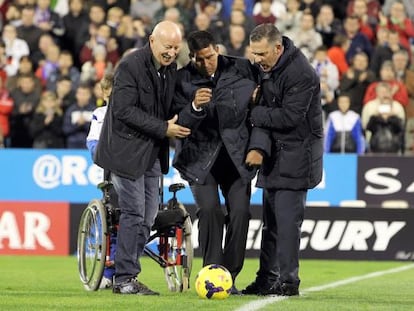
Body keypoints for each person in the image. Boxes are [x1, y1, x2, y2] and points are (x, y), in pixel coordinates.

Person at [94, 20, 191, 295]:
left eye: (175, 47)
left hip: (150, 153)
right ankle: (125, 278)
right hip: (124, 153)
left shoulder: (170, 69)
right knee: (135, 212)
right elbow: (123, 110)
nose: (171, 52)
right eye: (167, 46)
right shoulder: (130, 66)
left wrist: (192, 108)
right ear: (152, 40)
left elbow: (168, 104)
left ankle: (126, 274)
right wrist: (164, 128)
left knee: (147, 217)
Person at [172, 30, 258, 294]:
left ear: (217, 49)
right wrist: (194, 108)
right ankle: (211, 273)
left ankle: (229, 277)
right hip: (199, 159)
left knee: (241, 213)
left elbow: (259, 103)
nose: (205, 63)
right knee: (210, 211)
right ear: (192, 57)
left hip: (235, 157)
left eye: (209, 57)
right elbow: (176, 124)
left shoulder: (243, 68)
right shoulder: (181, 79)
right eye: (199, 59)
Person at [243, 23, 323, 296]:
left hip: (298, 156)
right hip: (275, 155)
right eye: (254, 53)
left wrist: (254, 112)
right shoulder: (270, 68)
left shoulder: (302, 74)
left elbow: (290, 117)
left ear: (278, 48)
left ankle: (289, 282)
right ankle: (267, 278)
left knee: (287, 224)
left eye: (262, 53)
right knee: (272, 224)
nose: (257, 59)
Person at [86, 72, 116, 289]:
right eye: (109, 92)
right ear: (104, 93)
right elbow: (93, 144)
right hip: (114, 172)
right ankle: (109, 271)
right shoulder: (100, 114)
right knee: (115, 221)